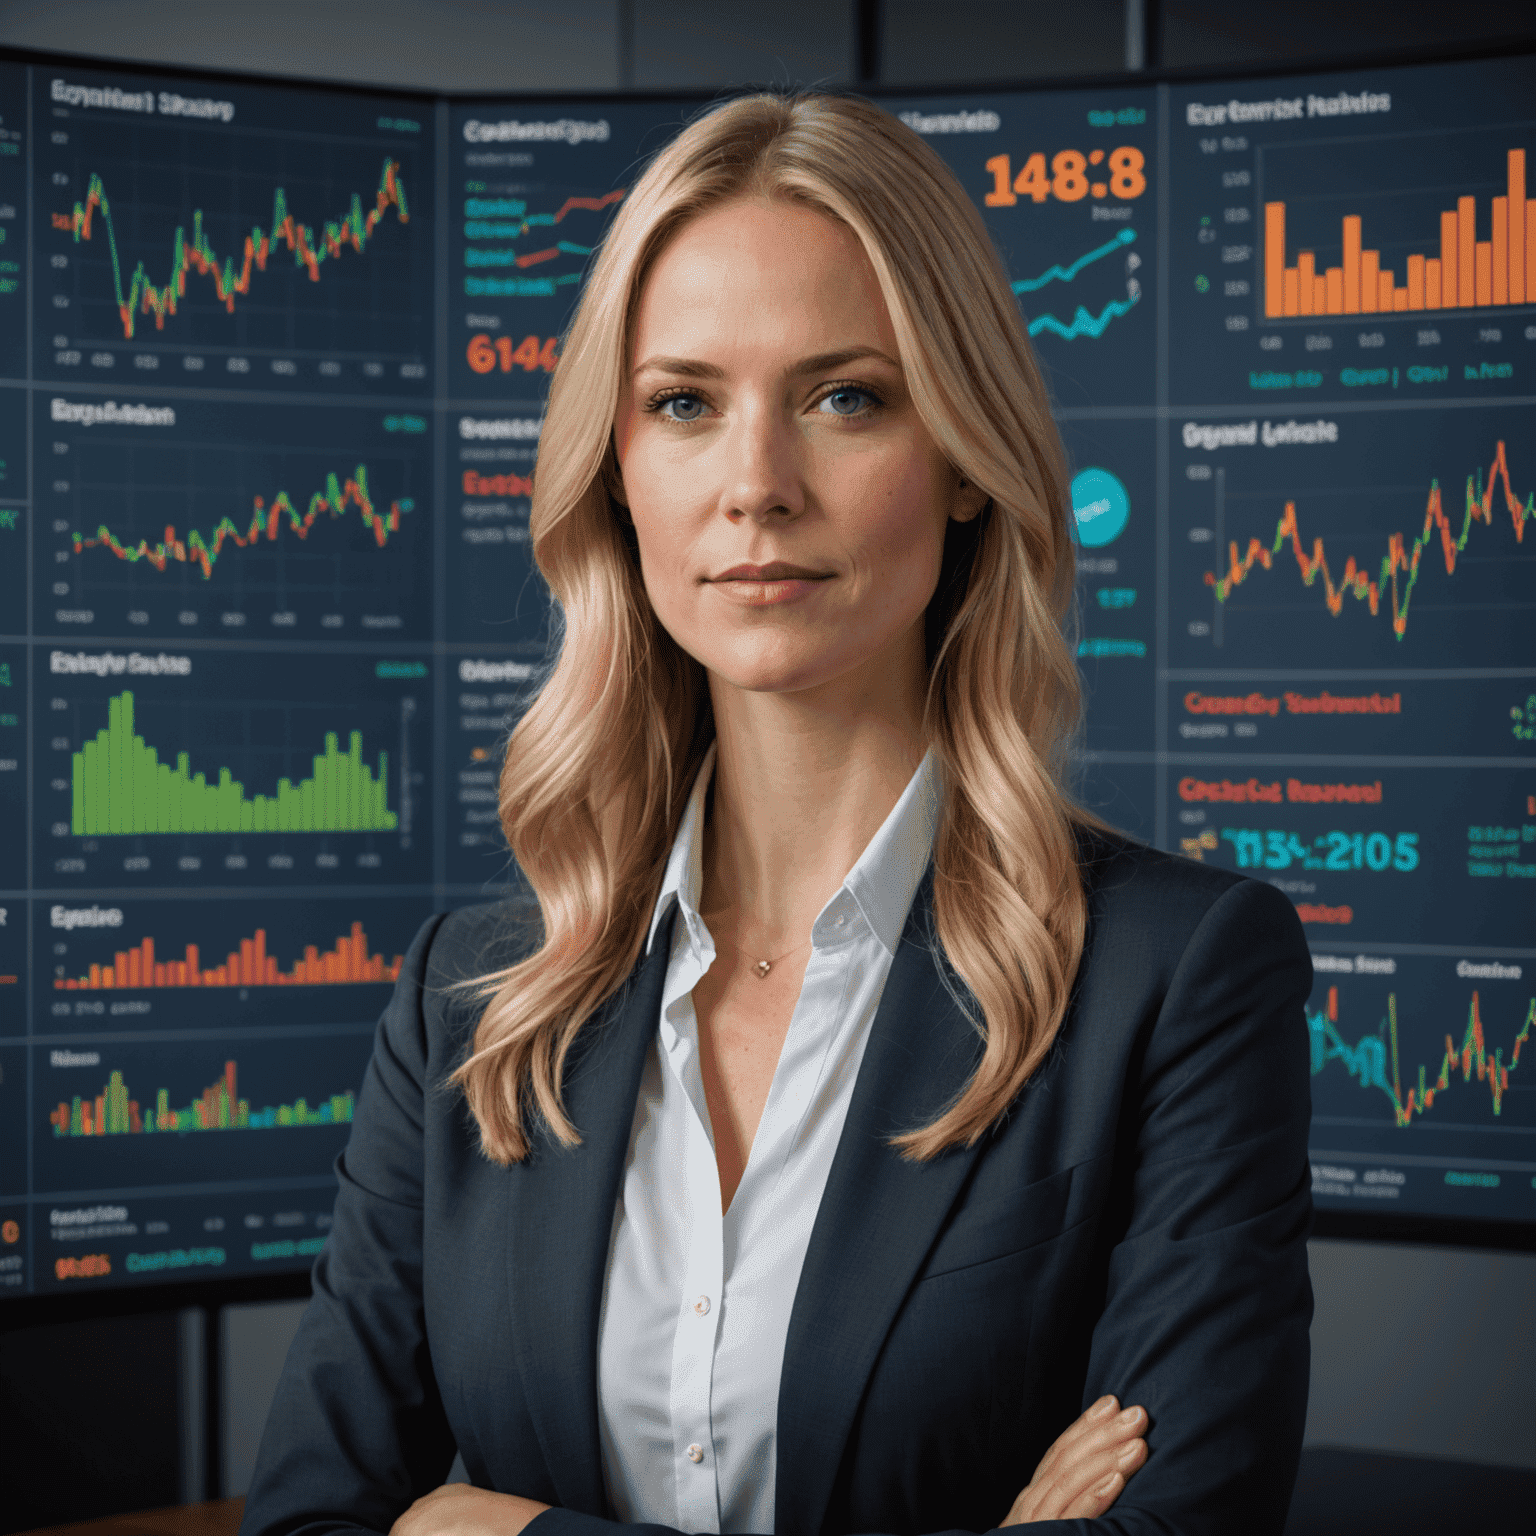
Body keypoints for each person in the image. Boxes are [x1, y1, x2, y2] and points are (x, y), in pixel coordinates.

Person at [241, 92, 1313, 1536]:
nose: (757, 487)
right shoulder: (467, 1006)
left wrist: (481, 1529)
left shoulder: (1178, 980)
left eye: (845, 397)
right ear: (616, 476)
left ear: (964, 467)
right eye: (685, 403)